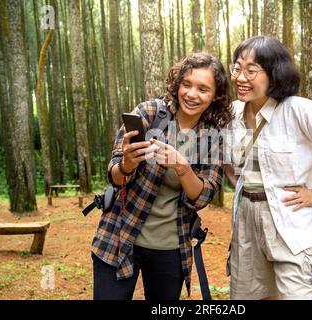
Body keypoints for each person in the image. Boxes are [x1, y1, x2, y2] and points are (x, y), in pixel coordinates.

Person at [225, 36, 312, 300]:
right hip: (246, 226)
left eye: (251, 70)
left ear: (274, 74)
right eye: (237, 68)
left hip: (291, 225)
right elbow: (217, 152)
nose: (240, 77)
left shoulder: (299, 111)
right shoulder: (232, 112)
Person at [91, 52, 232, 300]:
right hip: (119, 236)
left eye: (202, 89)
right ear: (177, 84)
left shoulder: (213, 137)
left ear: (215, 95)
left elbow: (203, 196)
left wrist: (182, 167)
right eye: (186, 85)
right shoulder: (148, 113)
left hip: (170, 248)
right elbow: (113, 176)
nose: (191, 94)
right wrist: (126, 164)